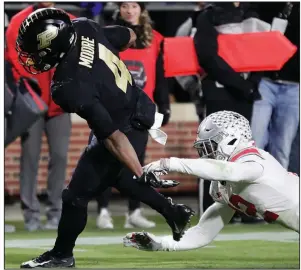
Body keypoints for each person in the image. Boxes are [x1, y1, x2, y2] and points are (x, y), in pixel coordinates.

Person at [17, 8, 194, 268]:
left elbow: (112, 137)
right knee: (118, 177)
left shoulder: (67, 85)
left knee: (74, 196)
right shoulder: (84, 27)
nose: (32, 56)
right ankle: (174, 212)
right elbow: (130, 36)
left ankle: (61, 255)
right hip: (138, 105)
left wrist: (141, 170)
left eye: (36, 49)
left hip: (123, 126)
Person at [123, 110, 299, 252]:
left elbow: (229, 171)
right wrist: (162, 244)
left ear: (231, 139)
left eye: (210, 147)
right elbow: (203, 233)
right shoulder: (223, 187)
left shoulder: (254, 160)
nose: (207, 154)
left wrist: (169, 163)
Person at [96, 1, 170, 230]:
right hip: (112, 105)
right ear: (119, 8)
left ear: (142, 9)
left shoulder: (155, 37)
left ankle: (134, 211)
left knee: (137, 161)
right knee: (105, 159)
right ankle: (103, 211)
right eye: (125, 5)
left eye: (134, 6)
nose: (129, 10)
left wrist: (164, 105)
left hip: (140, 109)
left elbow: (160, 74)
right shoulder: (105, 33)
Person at [5, 2, 75, 231]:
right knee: (30, 159)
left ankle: (56, 211)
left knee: (60, 157)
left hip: (59, 104)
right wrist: (32, 86)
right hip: (31, 104)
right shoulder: (19, 21)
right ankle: (31, 215)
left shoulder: (70, 19)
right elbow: (13, 57)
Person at [192, 2, 262, 219]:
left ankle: (240, 209)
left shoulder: (252, 13)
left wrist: (253, 83)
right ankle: (210, 209)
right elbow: (207, 56)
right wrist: (243, 85)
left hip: (245, 91)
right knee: (214, 152)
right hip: (220, 91)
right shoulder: (208, 16)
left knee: (242, 153)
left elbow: (264, 51)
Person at [250, 2, 300, 170]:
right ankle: (252, 191)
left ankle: (277, 192)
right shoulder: (268, 5)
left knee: (282, 147)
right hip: (265, 82)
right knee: (255, 141)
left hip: (294, 87)